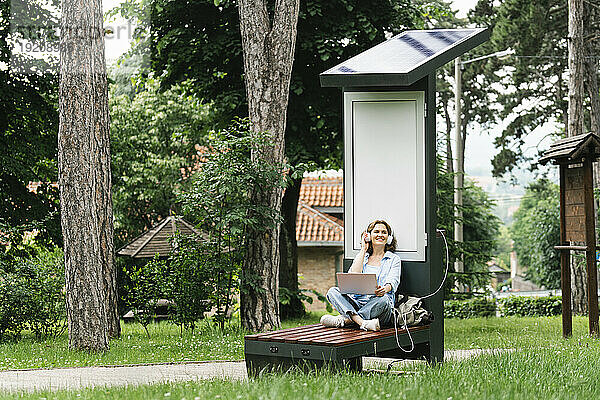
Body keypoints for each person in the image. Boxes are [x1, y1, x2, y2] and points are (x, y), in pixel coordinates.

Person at [320, 219, 401, 331]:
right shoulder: (363, 257)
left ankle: (345, 320)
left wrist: (384, 289)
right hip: (357, 303)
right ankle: (362, 322)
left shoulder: (394, 259)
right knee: (332, 292)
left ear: (389, 238)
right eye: (376, 232)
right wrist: (363, 248)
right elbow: (353, 276)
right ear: (369, 236)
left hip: (378, 306)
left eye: (384, 232)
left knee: (385, 300)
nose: (380, 235)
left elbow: (393, 281)